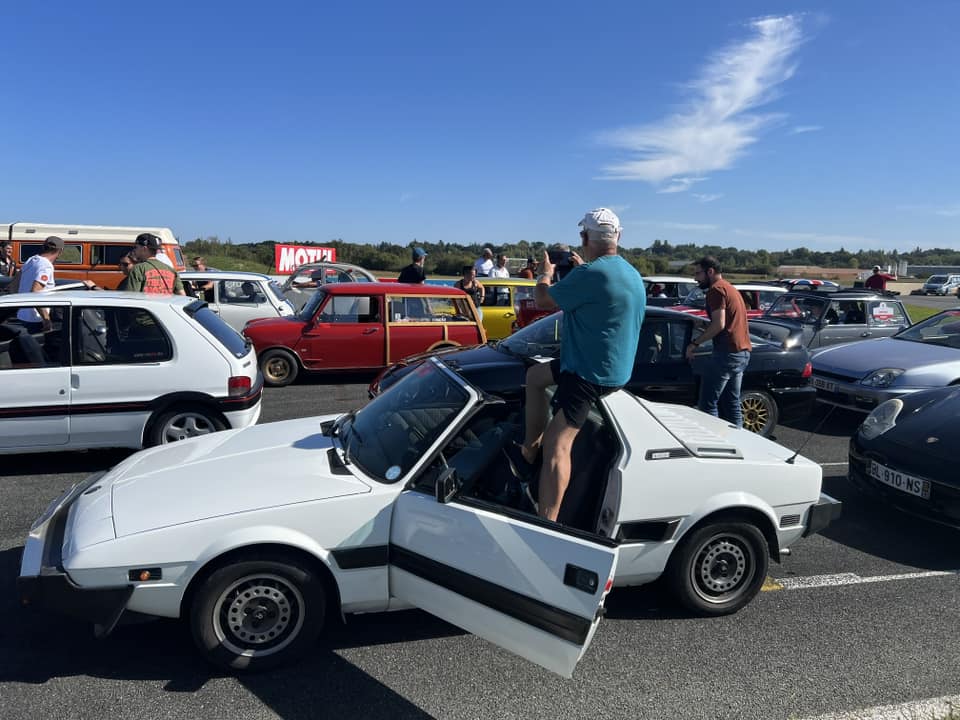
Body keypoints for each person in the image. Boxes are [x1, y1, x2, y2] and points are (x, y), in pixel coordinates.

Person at [507, 208, 645, 522]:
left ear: (584, 237)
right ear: (619, 237)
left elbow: (543, 300)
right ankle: (529, 449)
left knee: (558, 444)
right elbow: (605, 298)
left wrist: (544, 273)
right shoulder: (628, 272)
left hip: (588, 373)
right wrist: (583, 269)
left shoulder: (591, 275)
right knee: (536, 377)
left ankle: (548, 520)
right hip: (613, 367)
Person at [685, 256, 752, 427]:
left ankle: (711, 439)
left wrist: (694, 344)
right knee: (731, 403)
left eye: (698, 274)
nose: (695, 279)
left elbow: (719, 324)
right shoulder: (730, 288)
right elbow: (726, 323)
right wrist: (703, 326)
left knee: (707, 405)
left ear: (710, 271)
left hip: (726, 354)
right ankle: (738, 438)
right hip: (742, 353)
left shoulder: (716, 290)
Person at [14, 235, 64, 332]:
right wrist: (46, 319)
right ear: (60, 251)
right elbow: (35, 292)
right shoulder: (46, 266)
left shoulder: (31, 260)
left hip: (22, 315)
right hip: (35, 319)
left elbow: (14, 284)